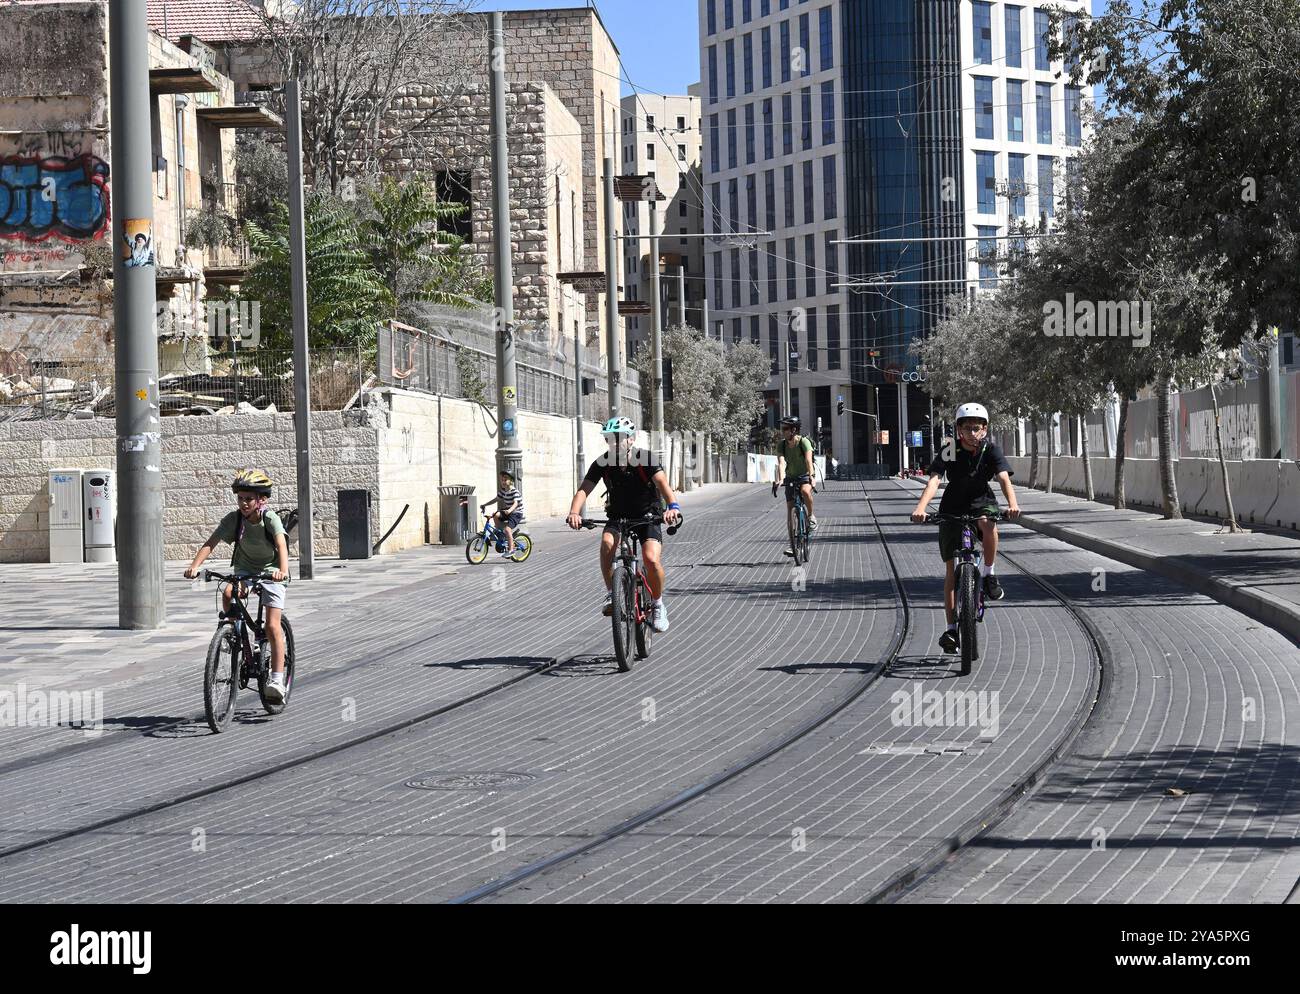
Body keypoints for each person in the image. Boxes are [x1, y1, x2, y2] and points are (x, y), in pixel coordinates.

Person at [910, 403, 1020, 654]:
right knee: (951, 570)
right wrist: (921, 509)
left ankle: (989, 574)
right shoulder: (950, 449)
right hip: (952, 507)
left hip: (983, 503)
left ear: (985, 429)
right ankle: (950, 630)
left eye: (977, 428)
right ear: (958, 429)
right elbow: (935, 479)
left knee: (987, 522)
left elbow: (1004, 478)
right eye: (967, 428)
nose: (972, 433)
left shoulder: (991, 450)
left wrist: (1013, 505)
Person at [565, 417, 682, 633]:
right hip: (618, 515)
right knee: (607, 544)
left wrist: (672, 506)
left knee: (650, 558)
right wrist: (574, 512)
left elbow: (662, 484)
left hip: (648, 515)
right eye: (610, 439)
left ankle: (657, 604)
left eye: (619, 438)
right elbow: (584, 490)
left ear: (631, 439)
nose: (615, 442)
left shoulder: (645, 459)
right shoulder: (602, 462)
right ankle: (612, 593)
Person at [184, 469, 291, 701]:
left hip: (271, 572)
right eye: (241, 498)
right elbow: (211, 542)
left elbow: (281, 544)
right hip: (245, 570)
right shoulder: (234, 519)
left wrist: (282, 571)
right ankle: (233, 633)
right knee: (229, 591)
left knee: (272, 626)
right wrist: (194, 566)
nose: (244, 503)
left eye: (249, 499)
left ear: (261, 499)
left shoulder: (269, 518)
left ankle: (277, 679)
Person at [771, 415, 817, 555]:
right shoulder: (782, 444)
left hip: (805, 474)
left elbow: (809, 461)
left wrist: (812, 477)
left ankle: (810, 516)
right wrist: (779, 480)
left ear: (793, 430)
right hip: (791, 476)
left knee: (805, 491)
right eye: (782, 428)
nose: (782, 431)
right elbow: (781, 463)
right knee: (790, 511)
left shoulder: (804, 442)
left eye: (785, 428)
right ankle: (793, 544)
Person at [480, 469, 525, 558]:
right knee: (495, 514)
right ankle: (501, 535)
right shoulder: (503, 491)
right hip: (508, 511)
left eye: (506, 479)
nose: (503, 482)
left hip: (516, 513)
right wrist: (485, 504)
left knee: (508, 529)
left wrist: (510, 510)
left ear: (511, 481)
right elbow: (496, 499)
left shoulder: (515, 492)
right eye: (502, 480)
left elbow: (515, 503)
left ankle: (511, 550)